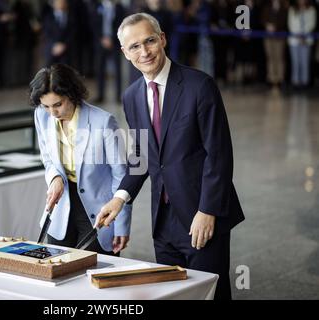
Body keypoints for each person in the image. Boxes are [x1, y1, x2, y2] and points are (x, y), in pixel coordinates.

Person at [95, 13, 244, 299]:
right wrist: (119, 197)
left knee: (210, 292)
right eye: (135, 46)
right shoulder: (131, 96)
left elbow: (219, 155)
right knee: (172, 293)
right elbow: (142, 157)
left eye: (150, 40)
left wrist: (207, 210)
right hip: (163, 221)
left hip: (201, 213)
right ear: (125, 53)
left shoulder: (199, 86)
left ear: (162, 39)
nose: (145, 51)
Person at [29, 63, 131, 255]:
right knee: (58, 269)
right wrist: (55, 178)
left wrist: (122, 225)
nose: (52, 113)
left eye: (58, 104)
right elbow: (47, 158)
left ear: (72, 95)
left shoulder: (104, 122)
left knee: (93, 272)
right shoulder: (41, 115)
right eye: (46, 106)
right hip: (62, 206)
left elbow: (121, 175)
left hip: (99, 209)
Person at [287, 0, 317, 89]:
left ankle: (305, 82)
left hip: (306, 39)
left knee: (305, 61)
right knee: (295, 61)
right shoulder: (292, 9)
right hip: (294, 39)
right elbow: (291, 24)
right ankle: (295, 81)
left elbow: (312, 24)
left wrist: (304, 35)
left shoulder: (311, 10)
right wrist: (297, 35)